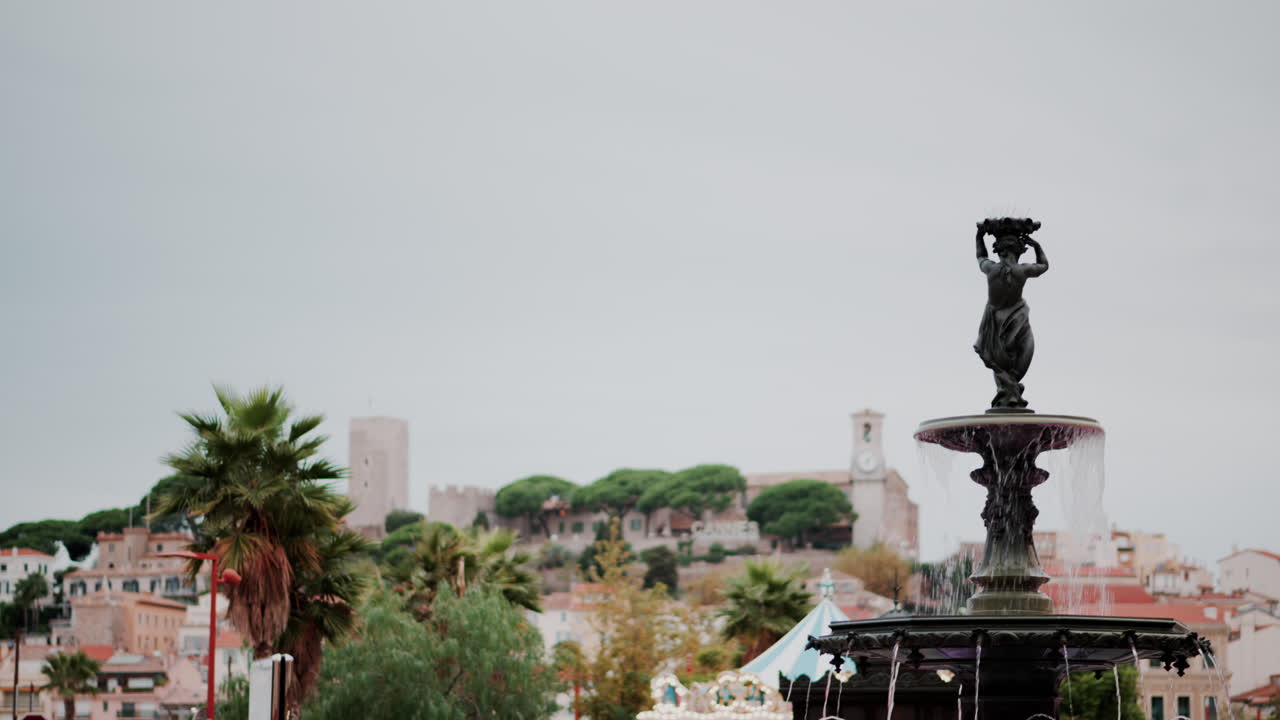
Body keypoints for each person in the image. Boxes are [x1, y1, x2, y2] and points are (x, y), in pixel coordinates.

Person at [974, 219, 1048, 410]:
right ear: (1019, 250)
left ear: (999, 250)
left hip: (995, 318)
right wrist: (1037, 246)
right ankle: (1011, 391)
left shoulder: (991, 269)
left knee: (997, 359)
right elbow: (1044, 265)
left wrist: (979, 236)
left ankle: (1007, 391)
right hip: (1016, 316)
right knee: (1024, 351)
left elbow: (980, 256)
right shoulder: (1022, 270)